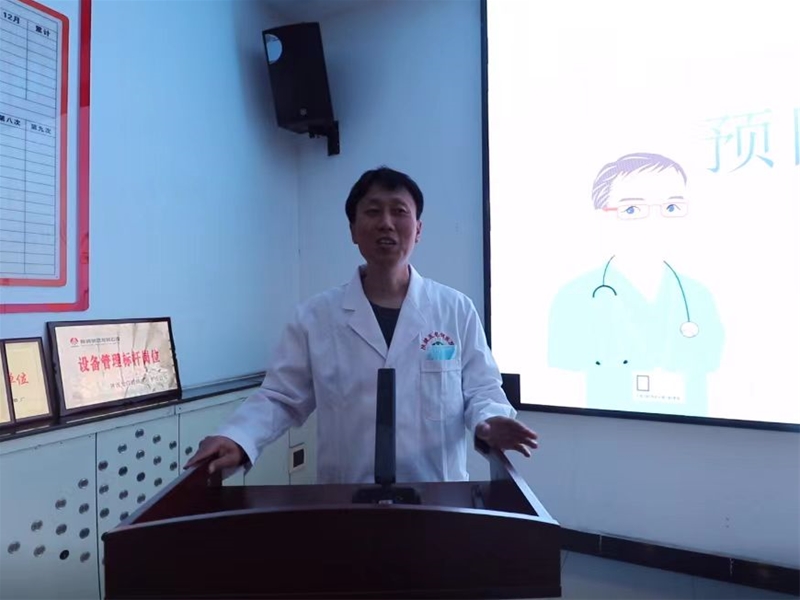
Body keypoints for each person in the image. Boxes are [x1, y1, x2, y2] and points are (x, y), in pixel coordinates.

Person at [185, 166, 538, 483]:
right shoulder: (316, 317)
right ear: (353, 230)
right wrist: (239, 438)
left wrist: (490, 421)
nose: (386, 223)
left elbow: (482, 389)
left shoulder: (456, 309)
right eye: (372, 211)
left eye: (399, 211)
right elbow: (280, 398)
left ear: (418, 230)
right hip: (346, 500)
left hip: (437, 497)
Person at [548, 152, 724, 417]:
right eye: (632, 209)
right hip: (603, 429)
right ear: (602, 217)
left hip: (694, 432)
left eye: (671, 207)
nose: (655, 221)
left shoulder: (698, 296)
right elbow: (561, 380)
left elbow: (715, 370)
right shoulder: (575, 296)